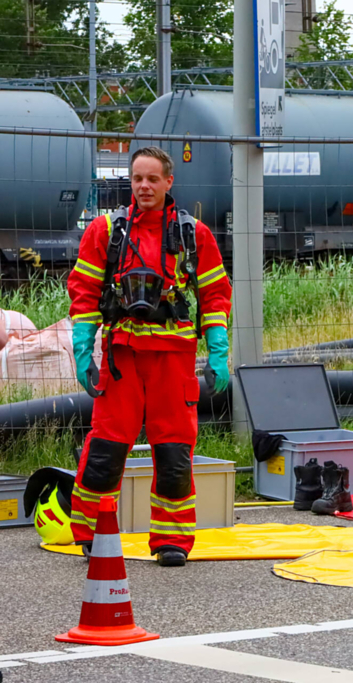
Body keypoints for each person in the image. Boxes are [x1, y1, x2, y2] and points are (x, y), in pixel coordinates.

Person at [68, 146, 232, 567]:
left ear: (168, 182)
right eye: (138, 178)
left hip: (173, 359)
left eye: (152, 179)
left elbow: (214, 297)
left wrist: (218, 354)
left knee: (174, 451)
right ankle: (92, 533)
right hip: (122, 356)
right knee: (105, 447)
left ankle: (172, 540)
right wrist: (83, 347)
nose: (144, 186)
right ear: (131, 181)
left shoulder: (194, 235)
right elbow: (84, 292)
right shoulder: (107, 230)